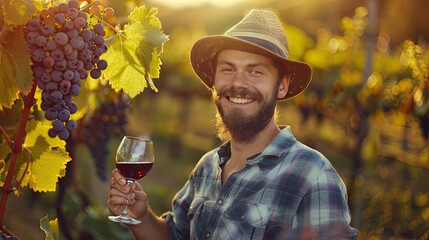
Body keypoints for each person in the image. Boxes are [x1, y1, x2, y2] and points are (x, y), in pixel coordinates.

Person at [108, 9, 358, 239]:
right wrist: (138, 217)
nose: (238, 83)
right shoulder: (207, 167)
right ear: (214, 81)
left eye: (255, 71)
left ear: (281, 86)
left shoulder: (313, 178)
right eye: (228, 69)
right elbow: (174, 236)